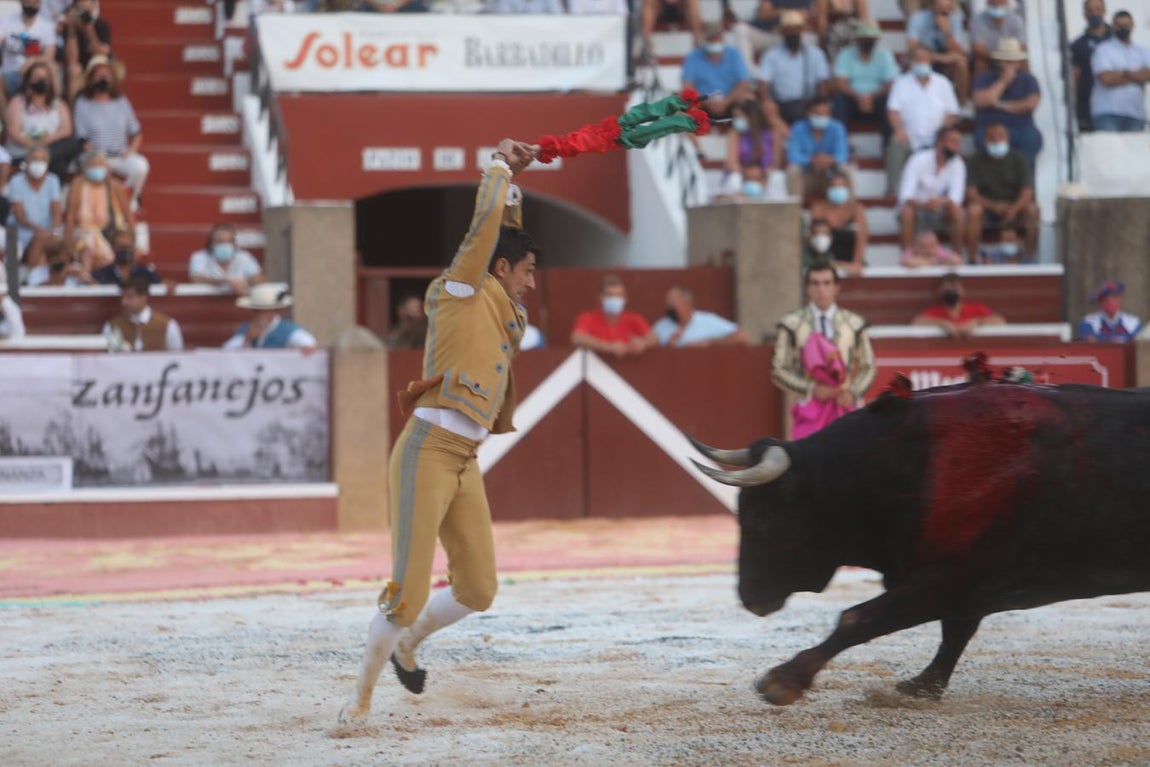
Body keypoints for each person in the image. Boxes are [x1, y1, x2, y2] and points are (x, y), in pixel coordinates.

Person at [338, 139, 541, 726]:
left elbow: (502, 240)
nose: (531, 284)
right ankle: (359, 701)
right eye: (527, 272)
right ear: (500, 271)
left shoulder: (498, 302)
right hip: (427, 450)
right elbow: (484, 237)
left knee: (478, 588)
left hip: (465, 456)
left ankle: (408, 644)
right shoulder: (459, 290)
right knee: (408, 592)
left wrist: (514, 192)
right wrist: (496, 169)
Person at [772, 261, 876, 437]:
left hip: (844, 405)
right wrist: (810, 388)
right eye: (815, 283)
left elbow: (868, 367)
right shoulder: (792, 324)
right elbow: (779, 370)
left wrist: (853, 393)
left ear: (837, 288)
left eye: (827, 283)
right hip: (809, 407)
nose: (821, 289)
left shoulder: (854, 324)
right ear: (807, 288)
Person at [72, 55, 149, 205]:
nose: (103, 78)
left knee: (141, 166)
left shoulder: (121, 102)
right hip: (93, 156)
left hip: (118, 155)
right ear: (91, 78)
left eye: (106, 74)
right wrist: (97, 158)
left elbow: (136, 132)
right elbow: (82, 138)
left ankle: (130, 200)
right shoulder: (82, 103)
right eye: (98, 74)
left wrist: (131, 150)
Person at [885, 45, 960, 195]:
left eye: (924, 58)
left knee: (950, 146)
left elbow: (952, 113)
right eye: (917, 59)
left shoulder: (943, 83)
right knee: (895, 144)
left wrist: (941, 135)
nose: (921, 62)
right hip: (909, 137)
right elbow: (893, 111)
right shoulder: (901, 83)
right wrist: (899, 130)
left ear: (931, 60)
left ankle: (947, 194)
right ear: (911, 61)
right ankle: (894, 191)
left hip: (937, 138)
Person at [964, 121, 1039, 261]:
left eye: (1001, 136)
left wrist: (1014, 209)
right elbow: (972, 193)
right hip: (987, 208)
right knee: (973, 211)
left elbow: (1027, 192)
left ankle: (1029, 257)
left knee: (1033, 210)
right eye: (992, 137)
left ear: (1007, 138)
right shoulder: (975, 160)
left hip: (1015, 207)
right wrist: (993, 206)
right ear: (985, 140)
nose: (997, 140)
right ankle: (972, 260)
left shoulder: (1019, 159)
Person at [972, 38, 1043, 167]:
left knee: (1032, 139)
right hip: (990, 125)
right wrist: (1003, 82)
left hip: (1021, 127)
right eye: (1006, 60)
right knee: (984, 139)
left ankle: (1021, 174)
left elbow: (1030, 104)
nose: (1010, 64)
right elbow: (982, 101)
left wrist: (1001, 105)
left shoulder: (1028, 79)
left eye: (1013, 61)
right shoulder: (984, 78)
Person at [897, 126, 966, 254]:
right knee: (907, 211)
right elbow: (905, 195)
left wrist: (940, 203)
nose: (957, 147)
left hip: (941, 209)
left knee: (957, 212)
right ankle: (907, 258)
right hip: (917, 208)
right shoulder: (918, 159)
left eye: (958, 143)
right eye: (953, 142)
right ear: (939, 143)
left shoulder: (958, 163)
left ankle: (957, 257)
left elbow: (956, 197)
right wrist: (924, 204)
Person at [64, 149, 134, 274]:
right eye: (93, 165)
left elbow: (128, 215)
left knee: (122, 245)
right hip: (83, 232)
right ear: (85, 168)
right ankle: (89, 278)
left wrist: (133, 238)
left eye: (100, 164)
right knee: (88, 246)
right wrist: (68, 243)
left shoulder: (114, 186)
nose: (97, 168)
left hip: (110, 233)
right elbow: (70, 215)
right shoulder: (78, 184)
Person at [4, 59, 79, 177]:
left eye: (44, 78)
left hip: (50, 149)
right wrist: (35, 147)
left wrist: (44, 142)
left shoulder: (58, 104)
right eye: (36, 77)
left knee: (72, 144)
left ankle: (45, 159)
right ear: (28, 80)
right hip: (24, 152)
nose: (41, 80)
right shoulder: (17, 102)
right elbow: (14, 133)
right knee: (58, 163)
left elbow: (66, 130)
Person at [758, 11, 831, 125]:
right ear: (782, 32)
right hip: (782, 103)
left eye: (796, 29)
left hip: (808, 102)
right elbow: (763, 83)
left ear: (802, 32)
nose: (793, 33)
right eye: (789, 30)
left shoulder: (815, 54)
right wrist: (767, 101)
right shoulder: (771, 55)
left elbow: (823, 84)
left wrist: (820, 104)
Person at [830, 20, 898, 129]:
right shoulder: (845, 54)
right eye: (864, 38)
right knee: (840, 101)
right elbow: (840, 83)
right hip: (852, 98)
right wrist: (858, 97)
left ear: (876, 39)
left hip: (877, 98)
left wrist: (871, 97)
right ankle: (840, 138)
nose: (867, 41)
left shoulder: (885, 55)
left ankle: (889, 140)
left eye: (870, 39)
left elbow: (889, 83)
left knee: (890, 103)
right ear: (857, 39)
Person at [570, 274, 658, 358]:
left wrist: (643, 343)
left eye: (619, 295)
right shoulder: (588, 318)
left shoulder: (634, 319)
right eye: (609, 295)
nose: (614, 299)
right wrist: (609, 347)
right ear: (600, 297)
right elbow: (577, 338)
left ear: (625, 299)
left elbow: (654, 338)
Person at [1090, 11, 1150, 131]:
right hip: (1107, 113)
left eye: (1126, 25)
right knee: (1108, 144)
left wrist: (1122, 74)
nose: (1123, 28)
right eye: (1119, 25)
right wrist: (1137, 76)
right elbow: (1106, 79)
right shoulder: (1103, 50)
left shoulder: (1143, 51)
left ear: (1132, 26)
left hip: (1135, 114)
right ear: (1113, 27)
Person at [681, 21, 754, 120]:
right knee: (682, 107)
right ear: (704, 39)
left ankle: (740, 129)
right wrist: (706, 101)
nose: (714, 41)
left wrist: (727, 101)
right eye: (710, 38)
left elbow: (744, 82)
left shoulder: (734, 54)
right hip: (703, 103)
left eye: (716, 37)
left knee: (749, 100)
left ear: (722, 37)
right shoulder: (693, 56)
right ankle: (693, 129)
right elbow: (687, 85)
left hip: (730, 101)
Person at [7, 142, 61, 272]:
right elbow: (19, 216)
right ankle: (33, 274)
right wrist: (40, 230)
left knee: (56, 240)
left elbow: (56, 210)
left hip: (46, 231)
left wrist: (54, 230)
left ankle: (41, 274)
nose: (38, 163)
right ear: (27, 161)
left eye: (42, 160)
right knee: (41, 237)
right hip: (21, 231)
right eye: (34, 159)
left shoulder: (53, 180)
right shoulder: (16, 181)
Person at [905, 0, 970, 102]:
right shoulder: (918, 18)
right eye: (939, 10)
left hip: (944, 59)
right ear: (932, 6)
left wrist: (948, 33)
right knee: (913, 61)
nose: (942, 15)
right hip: (925, 57)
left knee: (961, 63)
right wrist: (932, 57)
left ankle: (962, 103)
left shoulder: (955, 19)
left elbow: (958, 52)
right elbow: (912, 47)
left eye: (946, 11)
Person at [785, 97, 849, 198]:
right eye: (817, 113)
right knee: (793, 169)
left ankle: (849, 205)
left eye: (825, 113)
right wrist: (811, 160)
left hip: (830, 176)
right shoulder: (798, 128)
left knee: (845, 169)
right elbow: (792, 155)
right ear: (808, 114)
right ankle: (794, 206)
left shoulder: (837, 127)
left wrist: (828, 160)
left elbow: (842, 154)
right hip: (806, 176)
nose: (821, 116)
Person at [222, 282, 317, 350]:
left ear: (276, 311)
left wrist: (305, 347)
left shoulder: (288, 329)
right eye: (257, 311)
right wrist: (247, 338)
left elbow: (308, 343)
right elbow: (226, 351)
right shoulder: (246, 329)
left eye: (265, 311)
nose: (260, 315)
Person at [102, 274, 183, 353]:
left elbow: (177, 356)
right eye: (123, 297)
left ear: (143, 297)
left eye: (129, 297)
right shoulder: (112, 326)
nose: (124, 302)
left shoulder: (167, 325)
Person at [808, 170, 868, 274]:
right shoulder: (818, 207)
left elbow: (862, 236)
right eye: (834, 186)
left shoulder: (856, 208)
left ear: (847, 188)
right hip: (824, 260)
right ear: (827, 188)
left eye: (841, 186)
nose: (837, 189)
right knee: (821, 229)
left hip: (851, 260)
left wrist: (856, 263)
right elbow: (814, 237)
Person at [912, 272, 1005, 338]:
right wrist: (942, 323)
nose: (951, 292)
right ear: (940, 291)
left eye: (955, 289)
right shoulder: (934, 311)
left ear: (962, 291)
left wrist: (976, 321)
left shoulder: (976, 308)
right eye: (947, 289)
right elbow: (916, 322)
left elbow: (1000, 321)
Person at [653, 286, 749, 346]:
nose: (669, 308)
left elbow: (742, 337)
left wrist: (709, 343)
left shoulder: (708, 321)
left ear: (686, 305)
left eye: (672, 304)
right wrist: (668, 347)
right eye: (668, 305)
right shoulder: (661, 326)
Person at [0, 0, 56, 98]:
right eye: (29, 2)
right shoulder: (6, 20)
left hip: (32, 74)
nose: (32, 5)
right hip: (8, 73)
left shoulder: (47, 26)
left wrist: (32, 61)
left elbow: (49, 56)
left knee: (50, 70)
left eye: (35, 3)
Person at [188, 223, 264, 294]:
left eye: (229, 241)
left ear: (234, 243)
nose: (224, 245)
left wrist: (245, 282)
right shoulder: (200, 257)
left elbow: (260, 278)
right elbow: (196, 278)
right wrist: (226, 281)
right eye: (219, 241)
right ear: (211, 244)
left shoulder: (243, 257)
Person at [1071, 0, 1111, 132]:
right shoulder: (1078, 45)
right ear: (1085, 13)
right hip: (1088, 105)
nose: (1094, 13)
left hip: (1117, 106)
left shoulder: (1116, 40)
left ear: (1104, 11)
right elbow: (1074, 77)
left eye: (1098, 9)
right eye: (1090, 10)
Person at [61, 0, 112, 102]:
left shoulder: (101, 25)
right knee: (74, 69)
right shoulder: (69, 27)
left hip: (95, 64)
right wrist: (71, 30)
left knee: (102, 70)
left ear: (93, 8)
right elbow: (71, 59)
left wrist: (89, 30)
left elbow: (101, 54)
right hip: (78, 66)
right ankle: (75, 107)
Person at [969, 0, 1026, 75]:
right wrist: (997, 58)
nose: (998, 6)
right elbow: (977, 48)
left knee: (1023, 61)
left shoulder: (1016, 19)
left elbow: (1022, 45)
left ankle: (1027, 80)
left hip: (1011, 57)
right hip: (988, 58)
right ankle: (981, 82)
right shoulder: (978, 19)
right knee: (980, 63)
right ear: (988, 3)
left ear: (1006, 3)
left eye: (1000, 2)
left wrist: (1009, 59)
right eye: (994, 3)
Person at [91, 228, 162, 288]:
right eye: (120, 247)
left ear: (133, 248)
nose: (124, 250)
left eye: (128, 247)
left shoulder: (147, 274)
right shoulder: (101, 274)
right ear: (113, 248)